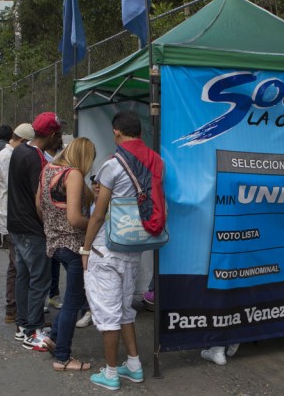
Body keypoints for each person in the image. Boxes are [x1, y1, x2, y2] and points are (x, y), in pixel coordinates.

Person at [80, 110, 166, 391]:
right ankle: (134, 365)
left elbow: (99, 214)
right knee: (125, 310)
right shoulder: (157, 161)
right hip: (134, 246)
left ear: (116, 132)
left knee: (107, 315)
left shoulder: (113, 164)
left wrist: (85, 247)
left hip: (108, 246)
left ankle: (111, 373)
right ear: (139, 132)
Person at [36, 137, 95, 371]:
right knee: (73, 302)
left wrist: (52, 226)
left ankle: (53, 337)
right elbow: (74, 218)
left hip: (54, 243)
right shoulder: (73, 174)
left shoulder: (48, 169)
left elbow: (39, 205)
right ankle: (63, 357)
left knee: (74, 297)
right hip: (73, 245)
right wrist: (93, 223)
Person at [8, 112, 62, 351]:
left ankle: (23, 326)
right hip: (31, 228)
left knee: (24, 277)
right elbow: (40, 199)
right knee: (39, 279)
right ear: (51, 134)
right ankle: (33, 331)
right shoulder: (38, 158)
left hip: (16, 226)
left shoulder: (19, 149)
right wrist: (49, 225)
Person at [0, 123, 35, 323]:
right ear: (23, 141)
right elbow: (17, 186)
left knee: (15, 263)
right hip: (11, 216)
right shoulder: (9, 156)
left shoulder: (5, 153)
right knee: (19, 264)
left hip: (9, 215)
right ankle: (16, 308)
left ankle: (14, 307)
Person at [76, 175, 100, 329]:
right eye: (94, 183)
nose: (97, 186)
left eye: (100, 184)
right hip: (90, 246)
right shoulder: (89, 203)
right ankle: (89, 312)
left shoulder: (109, 202)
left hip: (102, 247)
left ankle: (94, 312)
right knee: (88, 282)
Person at [45, 136, 65, 311]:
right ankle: (45, 295)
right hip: (48, 216)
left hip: (62, 215)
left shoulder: (63, 155)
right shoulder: (41, 156)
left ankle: (53, 294)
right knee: (47, 260)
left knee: (56, 260)